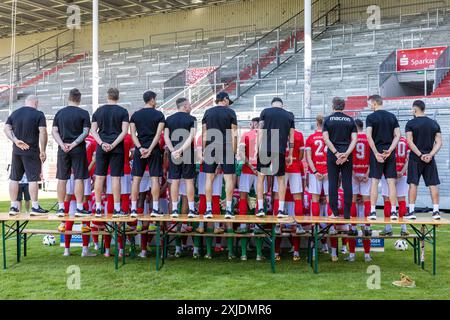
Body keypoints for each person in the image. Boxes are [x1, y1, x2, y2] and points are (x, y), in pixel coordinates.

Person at [4, 95, 48, 216]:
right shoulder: (39, 114)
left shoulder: (15, 113)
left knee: (14, 178)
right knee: (33, 179)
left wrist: (15, 140)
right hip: (31, 151)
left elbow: (6, 128)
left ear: (26, 102)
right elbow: (43, 132)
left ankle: (13, 207)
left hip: (17, 150)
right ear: (36, 103)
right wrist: (43, 150)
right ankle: (35, 207)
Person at [52, 88, 91, 218]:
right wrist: (74, 144)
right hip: (78, 149)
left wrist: (62, 145)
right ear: (79, 99)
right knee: (79, 177)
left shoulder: (60, 113)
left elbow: (54, 131)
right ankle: (79, 208)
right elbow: (85, 132)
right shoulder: (84, 113)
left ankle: (61, 208)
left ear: (68, 97)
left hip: (63, 149)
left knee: (62, 178)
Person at [91, 88, 130, 218]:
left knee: (100, 177)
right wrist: (113, 144)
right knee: (115, 178)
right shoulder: (123, 111)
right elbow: (124, 132)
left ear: (107, 96)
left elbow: (93, 130)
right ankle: (117, 209)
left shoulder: (98, 111)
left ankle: (97, 208)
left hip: (102, 146)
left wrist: (102, 143)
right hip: (116, 147)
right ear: (118, 97)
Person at [256, 97, 295, 218]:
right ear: (282, 105)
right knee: (280, 179)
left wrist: (257, 149)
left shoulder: (265, 112)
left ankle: (261, 208)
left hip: (265, 148)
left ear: (272, 104)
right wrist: (291, 154)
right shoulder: (289, 115)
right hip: (279, 149)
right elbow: (291, 137)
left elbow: (260, 131)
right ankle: (280, 210)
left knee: (261, 178)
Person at [202, 92, 238, 219]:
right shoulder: (230, 112)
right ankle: (228, 210)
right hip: (226, 145)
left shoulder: (207, 112)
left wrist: (203, 150)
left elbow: (204, 134)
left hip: (210, 146)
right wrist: (234, 151)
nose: (229, 103)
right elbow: (234, 133)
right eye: (228, 100)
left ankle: (208, 210)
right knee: (228, 178)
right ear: (224, 99)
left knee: (209, 178)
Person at [130, 90, 165, 219]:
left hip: (139, 150)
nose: (155, 102)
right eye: (155, 99)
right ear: (151, 100)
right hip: (153, 149)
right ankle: (155, 209)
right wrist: (150, 149)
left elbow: (133, 134)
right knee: (155, 179)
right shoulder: (159, 115)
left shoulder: (135, 115)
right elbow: (158, 135)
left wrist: (140, 148)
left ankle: (133, 209)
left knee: (136, 179)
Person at [404, 100, 442, 220]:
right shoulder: (433, 123)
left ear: (415, 109)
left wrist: (421, 155)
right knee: (433, 184)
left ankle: (411, 211)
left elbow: (409, 141)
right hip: (429, 159)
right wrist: (430, 155)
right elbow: (439, 142)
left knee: (413, 184)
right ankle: (436, 211)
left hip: (416, 158)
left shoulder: (410, 123)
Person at [366, 95, 401, 221]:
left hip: (377, 151)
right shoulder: (392, 116)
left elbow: (369, 136)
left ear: (375, 103)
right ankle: (393, 212)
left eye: (370, 103)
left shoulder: (371, 117)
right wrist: (390, 150)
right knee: (391, 182)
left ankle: (373, 212)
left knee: (375, 182)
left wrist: (376, 152)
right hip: (389, 152)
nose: (370, 106)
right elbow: (398, 135)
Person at [322, 97, 358, 220]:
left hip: (333, 155)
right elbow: (355, 139)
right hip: (347, 155)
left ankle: (335, 213)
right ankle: (347, 214)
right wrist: (346, 154)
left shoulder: (328, 120)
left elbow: (326, 139)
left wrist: (337, 153)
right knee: (347, 183)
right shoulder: (350, 120)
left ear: (333, 106)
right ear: (343, 106)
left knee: (333, 183)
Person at [164, 97, 197, 218]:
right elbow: (191, 136)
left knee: (175, 180)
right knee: (189, 180)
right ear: (184, 106)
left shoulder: (169, 119)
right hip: (187, 152)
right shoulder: (192, 119)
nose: (191, 107)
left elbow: (166, 136)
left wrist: (173, 150)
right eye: (189, 105)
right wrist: (182, 149)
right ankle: (192, 209)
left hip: (174, 152)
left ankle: (174, 209)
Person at [380, 135, 409, 236]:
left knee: (387, 200)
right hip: (402, 175)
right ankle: (404, 229)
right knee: (402, 200)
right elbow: (408, 159)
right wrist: (401, 171)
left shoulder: (387, 141)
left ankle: (388, 228)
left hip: (388, 174)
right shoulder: (405, 141)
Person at [237, 117, 260, 233]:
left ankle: (242, 225)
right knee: (260, 197)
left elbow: (241, 153)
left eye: (251, 123)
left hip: (247, 169)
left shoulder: (246, 134)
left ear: (254, 124)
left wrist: (251, 166)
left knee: (243, 196)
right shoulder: (267, 135)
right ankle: (257, 226)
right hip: (261, 170)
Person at [305, 115, 329, 219]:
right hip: (328, 171)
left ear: (316, 123)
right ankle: (331, 228)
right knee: (329, 199)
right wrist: (329, 171)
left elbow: (308, 158)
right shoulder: (330, 138)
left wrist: (315, 172)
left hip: (315, 172)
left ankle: (316, 226)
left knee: (315, 199)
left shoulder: (310, 138)